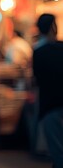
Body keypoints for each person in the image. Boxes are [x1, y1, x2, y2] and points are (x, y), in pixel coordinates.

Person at [32, 13, 63, 168]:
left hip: (50, 107)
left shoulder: (38, 52)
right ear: (53, 27)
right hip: (57, 105)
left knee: (57, 152)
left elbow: (37, 80)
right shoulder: (61, 47)